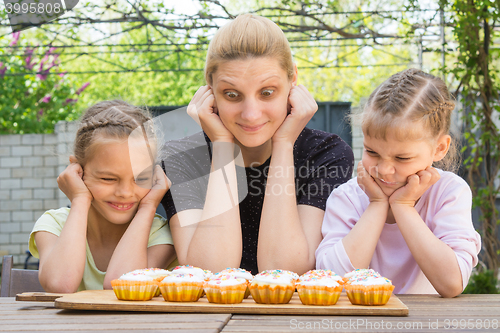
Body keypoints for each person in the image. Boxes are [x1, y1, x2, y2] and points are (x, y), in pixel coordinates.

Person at [160, 14, 354, 275]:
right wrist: (222, 144)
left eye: (267, 92)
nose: (251, 114)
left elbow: (285, 272)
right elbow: (207, 273)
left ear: (293, 78)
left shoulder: (326, 154)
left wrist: (284, 144)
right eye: (232, 95)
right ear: (210, 88)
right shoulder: (180, 157)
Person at [315, 68, 481, 297]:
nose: (384, 169)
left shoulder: (449, 192)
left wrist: (403, 207)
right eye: (372, 152)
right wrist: (376, 204)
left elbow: (452, 283)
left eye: (402, 158)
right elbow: (332, 281)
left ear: (439, 148)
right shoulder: (347, 197)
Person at [29, 100, 176, 293]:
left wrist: (149, 206)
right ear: (78, 170)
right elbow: (60, 285)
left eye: (141, 178)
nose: (125, 193)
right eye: (108, 179)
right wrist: (80, 199)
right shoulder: (53, 225)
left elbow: (122, 285)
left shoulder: (161, 234)